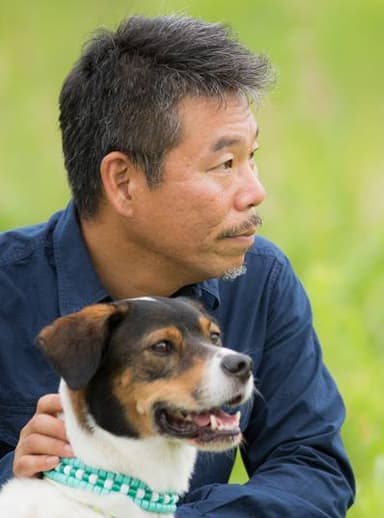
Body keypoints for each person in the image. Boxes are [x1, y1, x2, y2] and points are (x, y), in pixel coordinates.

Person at [0, 14, 355, 516]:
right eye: (225, 164)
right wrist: (17, 476)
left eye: (252, 156)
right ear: (123, 182)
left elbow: (312, 469)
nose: (255, 191)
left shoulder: (260, 279)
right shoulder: (8, 286)